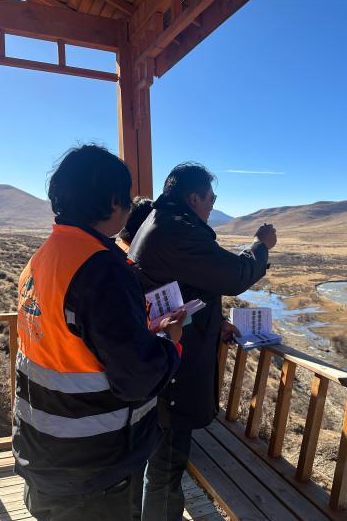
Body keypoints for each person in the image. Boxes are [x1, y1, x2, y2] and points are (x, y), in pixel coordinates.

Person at [13, 145, 185, 521]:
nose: (129, 207)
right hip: (94, 466)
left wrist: (139, 331)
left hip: (43, 449)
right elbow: (137, 377)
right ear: (112, 202)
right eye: (126, 198)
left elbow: (74, 344)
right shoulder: (103, 269)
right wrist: (168, 343)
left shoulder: (42, 258)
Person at [129, 162, 277, 520]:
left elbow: (186, 288)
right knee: (166, 467)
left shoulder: (159, 221)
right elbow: (233, 275)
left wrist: (215, 324)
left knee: (154, 462)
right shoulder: (177, 230)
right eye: (211, 198)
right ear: (194, 198)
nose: (213, 205)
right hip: (171, 375)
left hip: (158, 364)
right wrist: (260, 245)